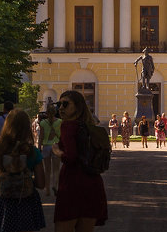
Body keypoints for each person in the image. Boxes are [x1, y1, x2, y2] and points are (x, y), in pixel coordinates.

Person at [52, 90, 107, 231]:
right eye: (59, 104)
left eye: (65, 104)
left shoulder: (68, 126)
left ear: (77, 107)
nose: (61, 108)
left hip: (73, 184)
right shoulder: (89, 127)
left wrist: (57, 151)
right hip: (93, 184)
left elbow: (70, 157)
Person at [0, 109, 46, 232]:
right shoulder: (33, 152)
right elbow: (41, 183)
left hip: (4, 202)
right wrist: (24, 181)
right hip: (27, 201)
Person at [38, 105, 62, 198]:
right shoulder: (60, 122)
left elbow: (41, 136)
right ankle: (55, 186)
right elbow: (61, 135)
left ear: (47, 113)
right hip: (56, 146)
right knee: (56, 169)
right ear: (55, 112)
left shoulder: (43, 123)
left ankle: (47, 189)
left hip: (46, 146)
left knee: (47, 169)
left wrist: (39, 147)